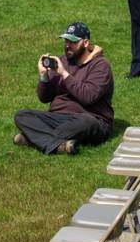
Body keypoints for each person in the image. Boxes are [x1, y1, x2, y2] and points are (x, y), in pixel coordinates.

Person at [13, 22, 115, 155]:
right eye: (66, 40)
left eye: (72, 41)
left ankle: (33, 139)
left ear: (85, 42)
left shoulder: (100, 65)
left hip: (90, 118)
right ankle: (57, 145)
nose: (67, 45)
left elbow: (88, 97)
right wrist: (44, 76)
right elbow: (44, 98)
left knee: (86, 122)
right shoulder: (62, 61)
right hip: (57, 117)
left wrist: (64, 74)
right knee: (22, 115)